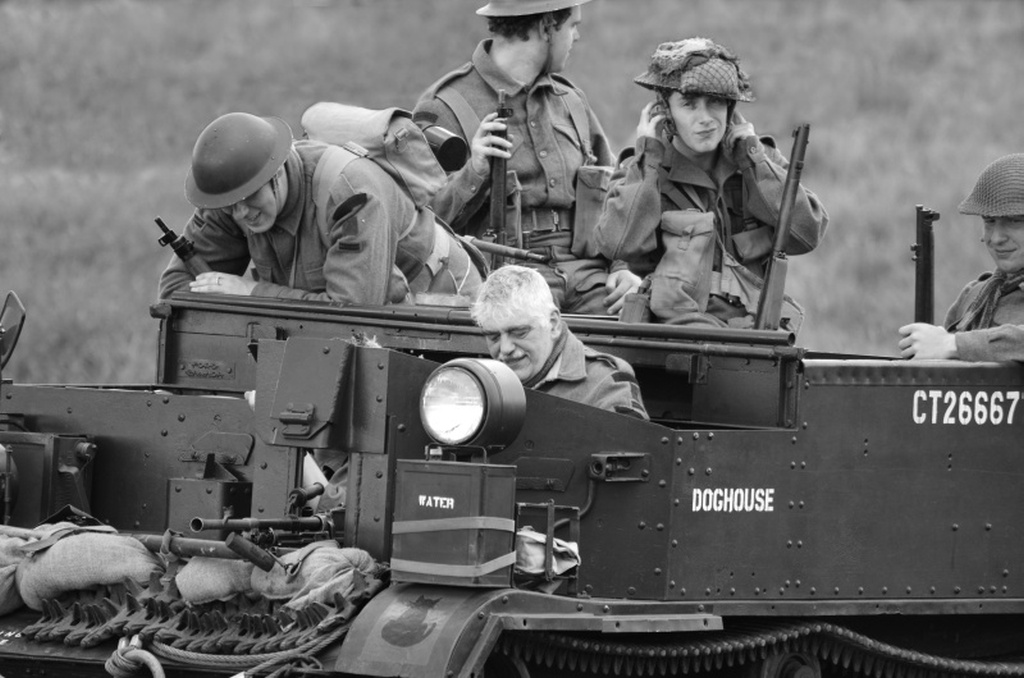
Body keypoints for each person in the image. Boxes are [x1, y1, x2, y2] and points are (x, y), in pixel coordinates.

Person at [412, 0, 641, 316]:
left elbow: (613, 191)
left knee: (644, 324)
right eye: (572, 26)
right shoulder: (445, 106)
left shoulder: (571, 101)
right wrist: (474, 170)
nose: (577, 37)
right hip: (507, 279)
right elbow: (417, 225)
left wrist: (622, 266)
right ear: (547, 26)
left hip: (589, 277)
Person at [594, 38, 829, 330]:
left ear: (731, 108)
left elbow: (806, 234)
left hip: (752, 333)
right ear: (665, 112)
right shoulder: (642, 167)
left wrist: (753, 160)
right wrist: (648, 158)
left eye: (715, 102)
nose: (705, 118)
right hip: (672, 333)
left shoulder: (758, 160)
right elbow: (616, 244)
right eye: (689, 104)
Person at [157, 112, 483, 304]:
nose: (241, 214)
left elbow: (353, 314)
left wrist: (251, 293)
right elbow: (176, 291)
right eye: (231, 207)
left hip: (439, 302)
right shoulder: (232, 195)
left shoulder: (351, 195)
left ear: (276, 173)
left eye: (250, 199)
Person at [471, 265, 649, 419]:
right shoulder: (471, 384)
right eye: (493, 337)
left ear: (553, 324)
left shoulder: (606, 385)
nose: (505, 348)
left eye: (520, 333)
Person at [899, 153, 1024, 361]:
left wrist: (953, 344)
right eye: (989, 221)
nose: (996, 238)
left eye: (1014, 221)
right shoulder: (975, 296)